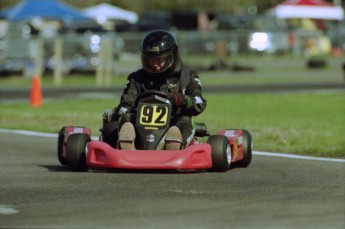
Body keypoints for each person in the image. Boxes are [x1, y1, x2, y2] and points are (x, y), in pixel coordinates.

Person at [102, 30, 207, 150]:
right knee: (126, 118)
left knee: (185, 120)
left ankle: (174, 145)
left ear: (171, 56)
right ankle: (128, 144)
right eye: (151, 59)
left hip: (173, 123)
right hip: (140, 126)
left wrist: (182, 99)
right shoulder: (136, 78)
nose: (154, 64)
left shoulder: (187, 76)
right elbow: (126, 102)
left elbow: (199, 102)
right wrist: (126, 111)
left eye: (159, 59)